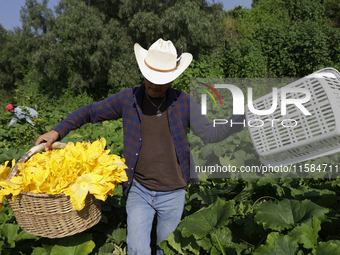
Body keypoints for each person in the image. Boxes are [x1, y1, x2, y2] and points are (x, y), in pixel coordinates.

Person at [34, 38, 245, 255]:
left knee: (167, 250)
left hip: (173, 193)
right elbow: (90, 111)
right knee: (137, 250)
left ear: (173, 78)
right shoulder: (129, 98)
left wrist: (239, 118)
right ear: (143, 73)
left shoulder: (184, 102)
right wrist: (57, 131)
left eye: (161, 81)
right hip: (139, 190)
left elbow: (211, 133)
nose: (154, 85)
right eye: (150, 78)